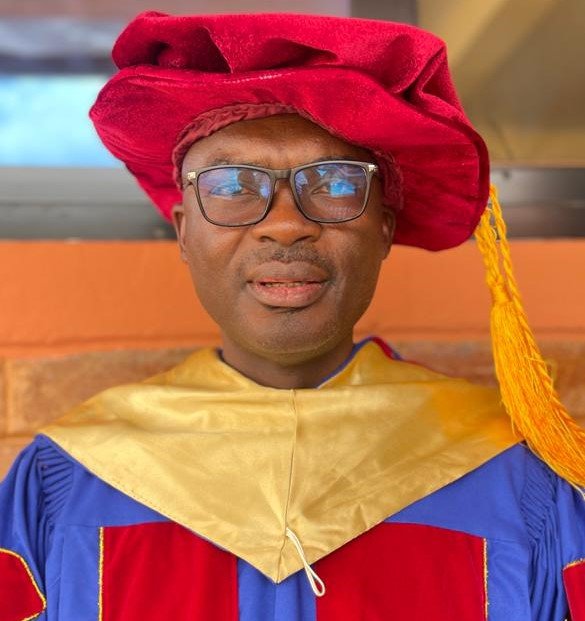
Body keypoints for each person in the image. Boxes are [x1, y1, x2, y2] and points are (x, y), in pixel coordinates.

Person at [1, 12, 584, 620]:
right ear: (183, 232)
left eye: (334, 183)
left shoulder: (514, 477)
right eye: (232, 186)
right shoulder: (68, 479)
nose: (285, 224)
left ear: (383, 230)